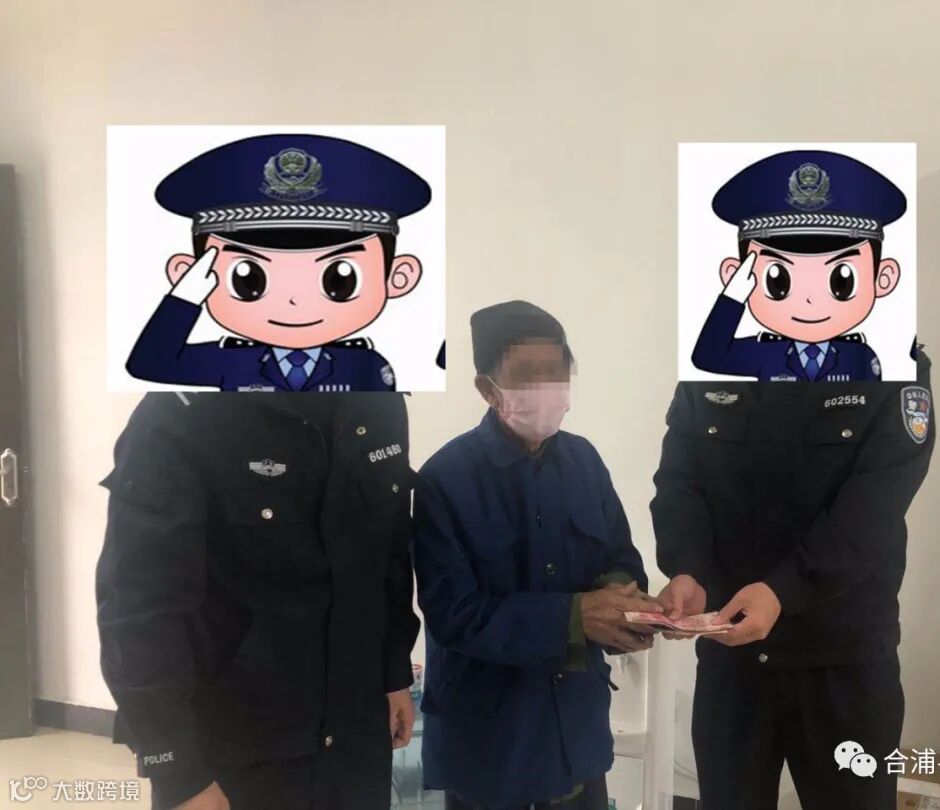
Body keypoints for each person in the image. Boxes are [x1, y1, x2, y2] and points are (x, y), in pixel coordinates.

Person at [96, 391, 420, 809]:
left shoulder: (379, 400)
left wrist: (393, 674)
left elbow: (390, 552)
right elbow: (137, 602)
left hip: (357, 738)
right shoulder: (180, 410)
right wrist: (177, 770)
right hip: (238, 749)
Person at [653, 336, 935, 808]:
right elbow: (681, 478)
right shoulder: (716, 357)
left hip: (842, 661)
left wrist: (784, 590)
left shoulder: (891, 361)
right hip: (735, 658)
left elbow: (875, 503)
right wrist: (688, 568)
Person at [413, 300, 658, 809]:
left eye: (558, 370)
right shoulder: (445, 479)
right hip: (490, 745)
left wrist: (622, 600)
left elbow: (620, 554)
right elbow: (452, 614)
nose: (547, 386)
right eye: (528, 374)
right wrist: (575, 618)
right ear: (487, 389)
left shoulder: (585, 462)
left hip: (576, 734)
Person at [126, 133, 432, 391]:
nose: (294, 300)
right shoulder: (230, 360)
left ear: (398, 276)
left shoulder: (365, 364)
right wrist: (183, 299)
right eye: (248, 281)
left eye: (339, 281)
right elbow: (149, 364)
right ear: (186, 273)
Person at [691, 150, 909, 382]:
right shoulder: (765, 353)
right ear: (733, 274)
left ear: (883, 277)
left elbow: (871, 403)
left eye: (842, 283)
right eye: (778, 282)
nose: (810, 300)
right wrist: (732, 298)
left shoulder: (858, 355)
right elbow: (708, 357)